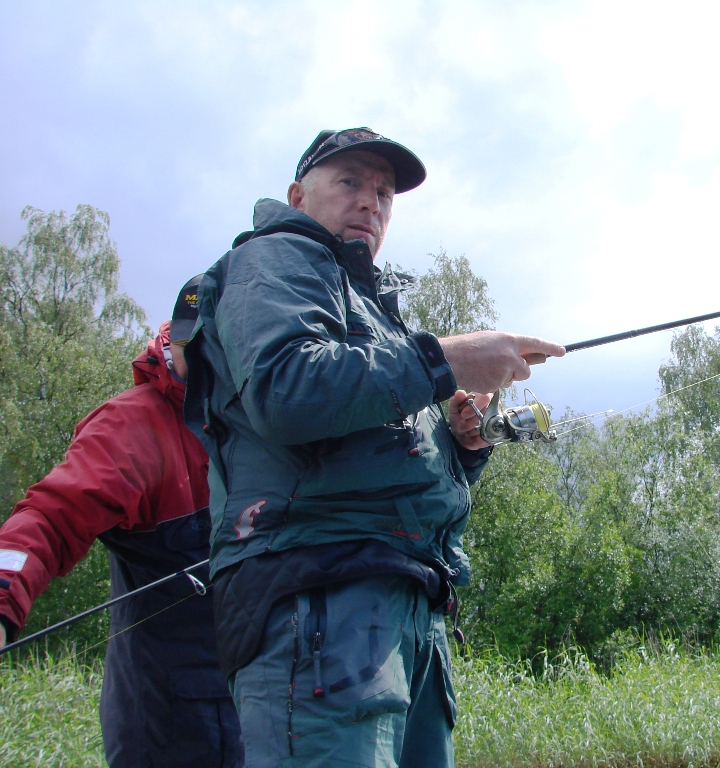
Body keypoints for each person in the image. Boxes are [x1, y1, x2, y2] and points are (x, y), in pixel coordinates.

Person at [183, 127, 564, 767]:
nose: (371, 202)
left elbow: (381, 457)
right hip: (320, 601)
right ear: (298, 196)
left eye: (385, 193)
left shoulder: (366, 302)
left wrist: (462, 444)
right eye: (350, 182)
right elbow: (286, 390)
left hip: (405, 606)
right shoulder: (274, 261)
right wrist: (442, 360)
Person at [0, 277, 244, 768]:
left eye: (218, 347)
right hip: (165, 723)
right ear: (172, 339)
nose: (203, 361)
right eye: (192, 344)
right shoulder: (130, 426)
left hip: (265, 705)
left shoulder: (272, 421)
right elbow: (47, 520)